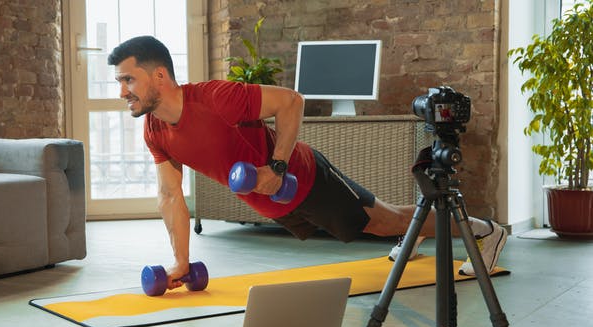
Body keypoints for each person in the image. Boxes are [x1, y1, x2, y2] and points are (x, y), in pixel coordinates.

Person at [107, 36, 508, 291]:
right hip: (274, 204)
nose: (123, 90)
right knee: (385, 224)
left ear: (159, 75)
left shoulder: (214, 98)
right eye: (120, 82)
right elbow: (170, 195)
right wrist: (180, 260)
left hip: (305, 179)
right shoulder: (155, 131)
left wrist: (276, 167)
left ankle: (484, 232)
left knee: (387, 222)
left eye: (128, 80)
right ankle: (416, 234)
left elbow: (291, 101)